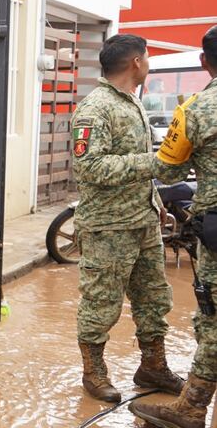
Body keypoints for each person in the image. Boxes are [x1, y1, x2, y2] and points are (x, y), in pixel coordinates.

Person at [69, 33, 182, 404]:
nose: (148, 62)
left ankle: (153, 365)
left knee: (153, 298)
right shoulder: (95, 108)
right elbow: (91, 167)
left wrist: (156, 200)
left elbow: (132, 160)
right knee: (101, 302)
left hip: (143, 220)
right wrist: (153, 163)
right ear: (136, 61)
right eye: (147, 57)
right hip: (108, 227)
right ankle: (94, 373)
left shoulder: (132, 102)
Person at [131, 25, 217, 428]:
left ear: (204, 63)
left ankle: (190, 411)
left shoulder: (196, 111)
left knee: (215, 322)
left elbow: (168, 171)